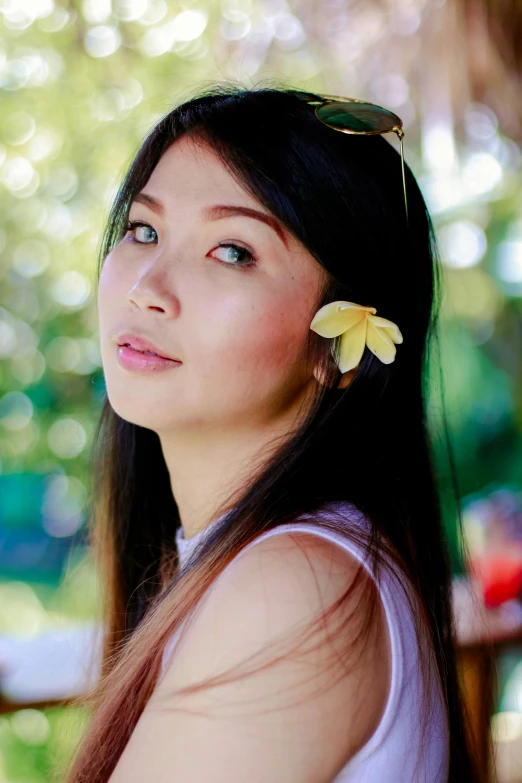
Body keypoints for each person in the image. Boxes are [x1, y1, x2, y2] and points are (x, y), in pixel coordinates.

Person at [61, 83, 486, 783]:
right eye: (143, 230)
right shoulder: (234, 563)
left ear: (338, 348)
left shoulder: (296, 588)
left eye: (232, 251)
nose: (147, 285)